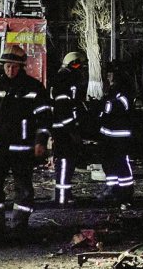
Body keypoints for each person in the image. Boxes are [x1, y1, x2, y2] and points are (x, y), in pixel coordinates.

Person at [0, 45, 50, 233]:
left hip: (21, 148)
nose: (10, 70)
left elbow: (44, 117)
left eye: (14, 67)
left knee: (23, 188)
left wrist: (40, 141)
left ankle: (20, 223)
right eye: (7, 66)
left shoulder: (33, 87)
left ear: (21, 66)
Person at [49, 50, 88, 206]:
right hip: (64, 129)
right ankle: (62, 196)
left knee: (68, 162)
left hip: (65, 127)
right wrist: (72, 130)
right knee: (65, 161)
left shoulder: (65, 77)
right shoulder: (64, 79)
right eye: (80, 64)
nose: (82, 68)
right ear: (73, 64)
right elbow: (63, 107)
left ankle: (65, 193)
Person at [97, 65, 135, 205]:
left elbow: (121, 105)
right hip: (109, 134)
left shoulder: (124, 90)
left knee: (121, 163)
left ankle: (125, 192)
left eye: (110, 74)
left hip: (120, 135)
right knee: (108, 163)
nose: (108, 76)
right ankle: (112, 188)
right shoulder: (113, 90)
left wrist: (106, 105)